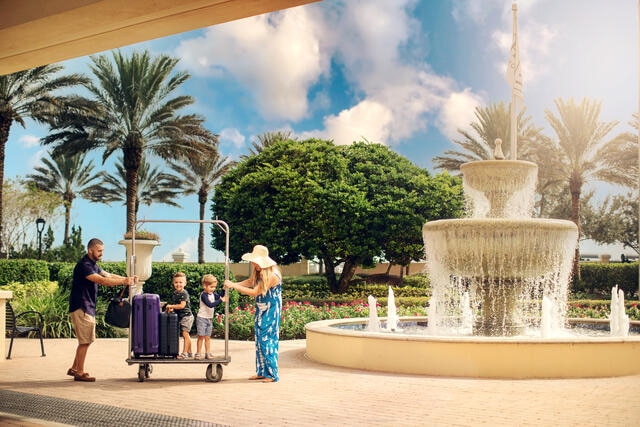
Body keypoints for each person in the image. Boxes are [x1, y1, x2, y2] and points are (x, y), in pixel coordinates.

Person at [68, 238, 137, 382]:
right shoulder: (84, 266)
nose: (101, 253)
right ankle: (79, 372)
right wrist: (124, 281)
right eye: (99, 251)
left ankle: (75, 368)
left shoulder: (93, 265)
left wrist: (127, 278)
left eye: (102, 251)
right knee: (85, 341)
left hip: (87, 306)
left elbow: (108, 275)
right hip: (81, 306)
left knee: (86, 340)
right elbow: (102, 281)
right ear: (90, 250)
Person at [225, 244, 282, 382]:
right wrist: (234, 283)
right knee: (259, 340)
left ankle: (272, 374)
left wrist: (234, 286)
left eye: (255, 260)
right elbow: (250, 282)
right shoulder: (259, 271)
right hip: (261, 308)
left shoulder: (273, 275)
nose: (252, 263)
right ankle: (262, 371)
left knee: (266, 340)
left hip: (271, 311)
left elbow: (254, 292)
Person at [194, 274, 227, 360]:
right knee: (201, 336)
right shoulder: (203, 295)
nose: (213, 289)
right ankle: (198, 353)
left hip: (209, 318)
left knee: (208, 337)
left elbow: (220, 296)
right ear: (204, 286)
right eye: (211, 287)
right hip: (202, 318)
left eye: (214, 287)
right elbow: (210, 305)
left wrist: (223, 289)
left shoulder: (212, 294)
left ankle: (208, 353)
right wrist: (220, 300)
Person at [165, 271, 195, 359]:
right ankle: (189, 352)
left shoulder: (184, 293)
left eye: (181, 282)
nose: (178, 284)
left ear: (185, 283)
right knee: (186, 335)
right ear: (173, 283)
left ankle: (184, 353)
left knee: (185, 334)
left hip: (187, 316)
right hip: (181, 316)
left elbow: (182, 305)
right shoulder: (175, 293)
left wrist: (171, 306)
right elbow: (176, 305)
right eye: (176, 282)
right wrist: (171, 308)